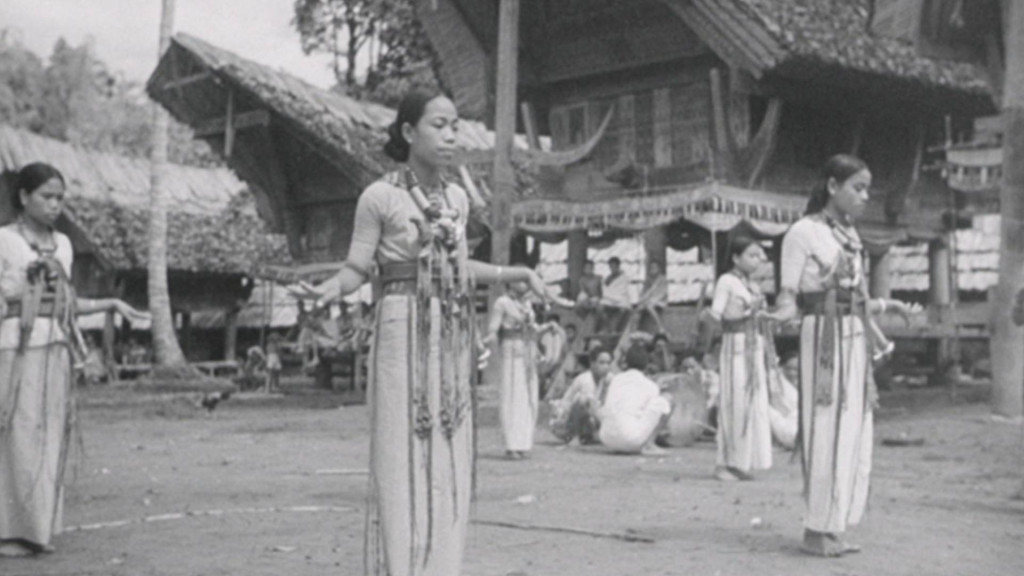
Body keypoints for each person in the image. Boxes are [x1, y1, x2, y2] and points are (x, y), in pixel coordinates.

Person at [289, 89, 554, 576]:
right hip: (400, 324)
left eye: (455, 124)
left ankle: (441, 566)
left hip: (450, 328)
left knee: (449, 445)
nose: (451, 134)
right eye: (438, 124)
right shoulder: (380, 197)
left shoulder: (455, 197)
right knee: (401, 444)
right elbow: (356, 267)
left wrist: (514, 273)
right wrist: (333, 287)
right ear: (409, 132)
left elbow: (458, 265)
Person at [0, 162, 149, 557]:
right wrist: (21, 299)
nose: (54, 205)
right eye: (46, 197)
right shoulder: (3, 242)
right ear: (23, 197)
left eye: (59, 198)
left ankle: (35, 528)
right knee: (15, 434)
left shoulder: (64, 245)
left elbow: (69, 302)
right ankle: (7, 531)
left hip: (56, 349)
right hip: (14, 348)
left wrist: (113, 302)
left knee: (49, 436)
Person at [772, 154, 918, 558]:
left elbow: (860, 301)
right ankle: (815, 529)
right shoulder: (802, 233)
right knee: (825, 428)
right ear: (833, 186)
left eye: (868, 188)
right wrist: (778, 314)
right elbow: (788, 296)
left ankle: (834, 525)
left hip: (853, 338)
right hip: (823, 338)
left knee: (855, 430)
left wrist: (891, 306)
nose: (865, 196)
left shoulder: (851, 237)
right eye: (858, 187)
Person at [706, 236, 773, 481]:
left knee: (752, 405)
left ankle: (741, 461)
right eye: (751, 255)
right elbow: (716, 315)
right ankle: (723, 463)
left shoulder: (751, 284)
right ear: (735, 257)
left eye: (759, 256)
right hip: (734, 346)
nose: (757, 260)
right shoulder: (727, 281)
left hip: (753, 346)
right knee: (734, 404)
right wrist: (741, 312)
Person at [486, 280, 542, 459]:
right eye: (518, 280)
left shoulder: (527, 303)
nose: (524, 284)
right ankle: (511, 445)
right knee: (513, 394)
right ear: (510, 283)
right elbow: (493, 328)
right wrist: (489, 339)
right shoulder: (502, 302)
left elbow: (533, 327)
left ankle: (524, 443)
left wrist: (545, 329)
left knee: (528, 396)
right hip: (512, 350)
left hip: (529, 350)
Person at [598, 344, 673, 455]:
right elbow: (654, 414)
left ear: (626, 363)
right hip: (630, 439)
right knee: (667, 399)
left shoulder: (615, 379)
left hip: (606, 438)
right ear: (646, 364)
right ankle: (649, 445)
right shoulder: (651, 385)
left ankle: (620, 437)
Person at [549, 348, 613, 445]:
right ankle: (574, 436)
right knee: (583, 400)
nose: (606, 366)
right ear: (592, 364)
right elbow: (591, 406)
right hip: (564, 420)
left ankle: (588, 435)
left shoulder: (608, 378)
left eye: (608, 363)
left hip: (590, 416)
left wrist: (606, 388)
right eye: (602, 363)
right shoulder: (585, 379)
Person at [636, 260, 668, 333]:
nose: (652, 269)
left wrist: (653, 300)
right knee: (640, 308)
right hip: (649, 301)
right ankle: (639, 329)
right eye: (651, 267)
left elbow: (663, 293)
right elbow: (643, 292)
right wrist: (642, 299)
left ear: (659, 268)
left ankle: (660, 326)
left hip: (660, 301)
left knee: (649, 306)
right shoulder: (648, 280)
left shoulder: (663, 279)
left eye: (654, 267)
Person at [599, 257, 631, 331]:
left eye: (614, 266)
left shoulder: (624, 278)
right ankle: (608, 326)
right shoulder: (607, 278)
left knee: (623, 308)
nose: (613, 268)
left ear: (618, 266)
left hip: (621, 301)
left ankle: (613, 329)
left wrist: (610, 296)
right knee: (599, 307)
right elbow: (605, 290)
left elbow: (622, 291)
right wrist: (608, 295)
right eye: (611, 266)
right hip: (609, 300)